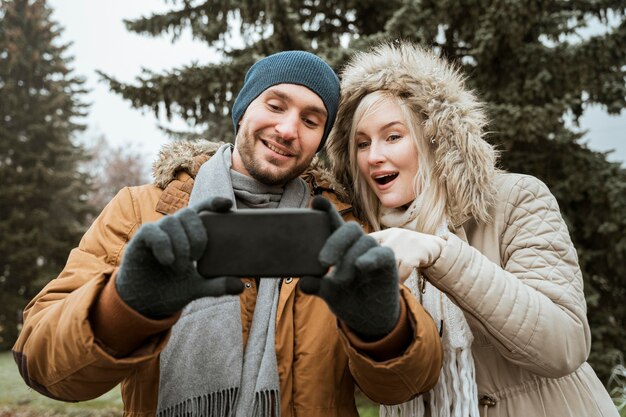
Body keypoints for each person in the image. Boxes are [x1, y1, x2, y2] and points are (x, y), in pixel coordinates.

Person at [12, 50, 444, 417]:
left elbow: (406, 384)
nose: (289, 129)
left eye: (311, 121)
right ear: (243, 109)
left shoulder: (341, 228)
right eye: (276, 106)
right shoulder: (141, 210)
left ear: (319, 142)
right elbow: (42, 364)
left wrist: (382, 326)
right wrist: (124, 306)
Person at [325, 41, 618, 417]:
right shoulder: (365, 238)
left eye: (393, 136)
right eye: (361, 143)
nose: (373, 156)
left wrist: (441, 253)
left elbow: (563, 346)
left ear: (434, 140)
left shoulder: (516, 199)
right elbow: (381, 383)